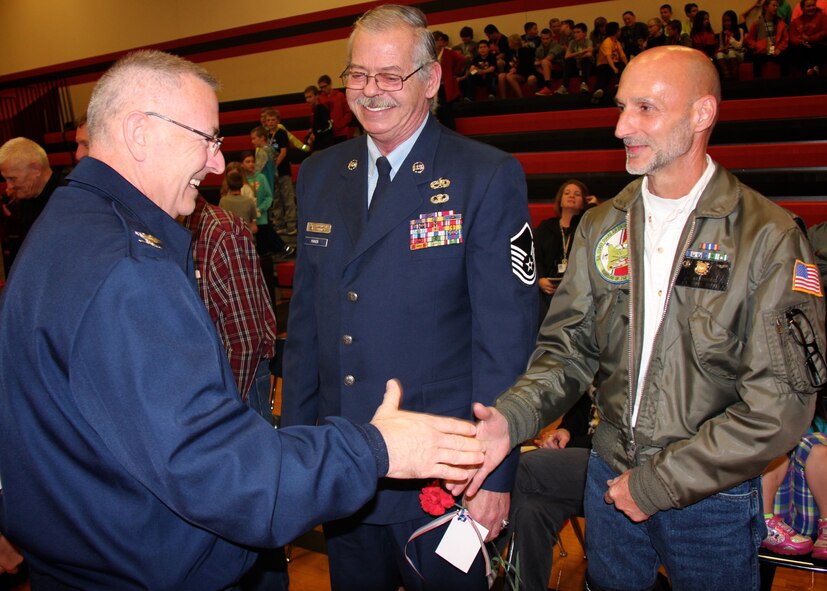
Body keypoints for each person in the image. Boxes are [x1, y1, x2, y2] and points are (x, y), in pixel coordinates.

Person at [0, 48, 486, 590]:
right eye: (206, 139)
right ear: (139, 132)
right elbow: (231, 480)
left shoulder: (62, 229)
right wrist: (378, 447)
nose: (215, 163)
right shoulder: (128, 272)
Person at [456, 46, 826, 591]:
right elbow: (567, 351)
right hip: (608, 480)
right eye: (622, 106)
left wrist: (656, 484)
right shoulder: (602, 225)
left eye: (645, 108)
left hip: (711, 499)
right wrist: (512, 419)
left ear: (701, 115)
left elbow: (780, 409)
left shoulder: (767, 238)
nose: (621, 126)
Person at [281, 5, 537, 591]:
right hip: (346, 461)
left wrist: (495, 474)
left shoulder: (484, 175)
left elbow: (506, 340)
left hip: (444, 474)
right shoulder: (319, 174)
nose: (371, 92)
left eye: (390, 75)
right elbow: (307, 329)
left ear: (431, 79)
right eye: (358, 75)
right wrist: (298, 450)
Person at [502, 393, 594, 591]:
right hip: (580, 456)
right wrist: (564, 431)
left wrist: (566, 447)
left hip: (617, 465)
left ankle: (480, 565)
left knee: (524, 467)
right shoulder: (603, 367)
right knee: (531, 510)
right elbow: (587, 403)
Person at [760, 391, 826, 558]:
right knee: (777, 442)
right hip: (776, 510)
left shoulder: (819, 423)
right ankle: (765, 521)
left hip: (812, 512)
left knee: (812, 444)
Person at [0, 137, 62, 272]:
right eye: (5, 179)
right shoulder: (27, 197)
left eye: (12, 178)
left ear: (36, 169)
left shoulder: (68, 199)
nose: (9, 186)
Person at [534, 179, 592, 322]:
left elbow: (596, 219)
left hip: (577, 289)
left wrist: (592, 206)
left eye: (577, 194)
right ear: (560, 200)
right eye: (567, 193)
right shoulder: (546, 227)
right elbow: (536, 256)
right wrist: (540, 279)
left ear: (583, 203)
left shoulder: (585, 227)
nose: (571, 196)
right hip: (549, 289)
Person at [746, 0, 791, 77]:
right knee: (756, 59)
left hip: (776, 51)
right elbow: (749, 39)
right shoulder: (757, 23)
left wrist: (779, 49)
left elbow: (785, 39)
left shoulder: (781, 23)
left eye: (777, 6)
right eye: (773, 6)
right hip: (762, 52)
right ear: (766, 7)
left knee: (786, 57)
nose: (776, 8)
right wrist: (757, 46)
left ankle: (785, 85)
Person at [789, 0, 827, 75]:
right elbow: (792, 37)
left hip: (818, 45)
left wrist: (810, 39)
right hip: (802, 46)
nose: (811, 8)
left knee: (819, 48)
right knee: (794, 50)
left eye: (813, 5)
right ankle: (809, 70)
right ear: (802, 8)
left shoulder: (822, 17)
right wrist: (802, 42)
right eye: (808, 6)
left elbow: (825, 31)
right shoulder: (796, 22)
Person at [592, 21, 627, 104]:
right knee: (604, 73)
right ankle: (598, 90)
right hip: (604, 64)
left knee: (622, 66)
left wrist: (628, 66)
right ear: (616, 31)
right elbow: (608, 57)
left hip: (614, 63)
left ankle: (620, 85)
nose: (620, 32)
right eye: (618, 30)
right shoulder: (607, 42)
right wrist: (613, 68)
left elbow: (622, 56)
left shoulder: (617, 43)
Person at [557, 23, 593, 95]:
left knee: (585, 59)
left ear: (584, 33)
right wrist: (582, 51)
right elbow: (567, 56)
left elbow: (589, 54)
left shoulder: (588, 41)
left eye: (578, 32)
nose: (575, 34)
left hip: (587, 66)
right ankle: (564, 86)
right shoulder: (572, 42)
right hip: (576, 65)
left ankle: (584, 84)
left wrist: (576, 55)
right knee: (568, 61)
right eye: (574, 32)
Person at [318, 74, 354, 143]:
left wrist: (341, 124)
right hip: (328, 134)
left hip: (341, 131)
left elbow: (348, 113)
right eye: (321, 88)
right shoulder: (320, 98)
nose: (323, 89)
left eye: (325, 86)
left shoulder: (340, 96)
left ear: (330, 84)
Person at [716, 10, 747, 79]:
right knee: (719, 55)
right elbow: (721, 46)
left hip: (739, 54)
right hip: (728, 54)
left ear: (733, 21)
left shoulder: (740, 30)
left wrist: (730, 36)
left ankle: (735, 75)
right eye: (724, 21)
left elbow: (740, 46)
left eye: (729, 21)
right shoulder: (722, 33)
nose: (726, 23)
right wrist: (722, 49)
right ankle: (726, 75)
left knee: (731, 52)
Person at [304, 85, 336, 151]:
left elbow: (328, 126)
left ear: (317, 95)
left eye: (310, 97)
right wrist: (312, 130)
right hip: (318, 143)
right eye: (306, 98)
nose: (308, 100)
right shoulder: (314, 110)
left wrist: (315, 134)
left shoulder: (322, 109)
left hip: (325, 144)